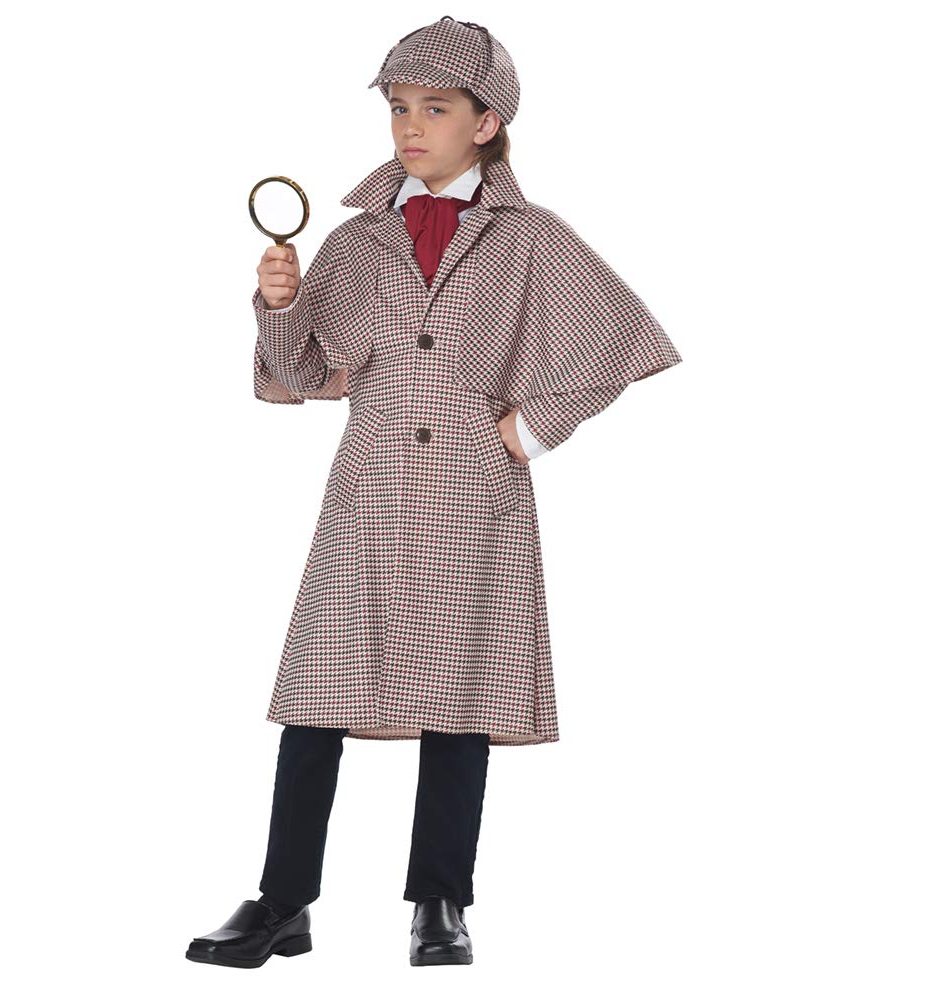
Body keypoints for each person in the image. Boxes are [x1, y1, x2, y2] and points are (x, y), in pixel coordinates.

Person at [186, 16, 682, 970]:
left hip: (472, 494)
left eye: (436, 109)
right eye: (399, 107)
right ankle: (283, 902)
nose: (411, 127)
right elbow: (304, 373)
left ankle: (440, 901)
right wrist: (281, 305)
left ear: (486, 123)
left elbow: (620, 342)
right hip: (368, 491)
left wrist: (528, 432)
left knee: (460, 701)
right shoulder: (357, 240)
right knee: (317, 698)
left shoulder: (532, 240)